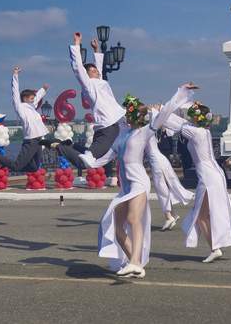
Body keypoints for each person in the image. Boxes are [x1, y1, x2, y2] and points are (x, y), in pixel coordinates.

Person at [80, 83, 197, 279]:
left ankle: (135, 262)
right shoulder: (121, 137)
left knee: (133, 219)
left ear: (136, 116)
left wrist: (181, 92)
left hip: (139, 183)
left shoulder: (145, 131)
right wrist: (89, 160)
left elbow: (165, 112)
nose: (126, 115)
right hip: (125, 188)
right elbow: (106, 158)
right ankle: (135, 263)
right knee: (116, 227)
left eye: (129, 113)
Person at [163, 101, 231, 263]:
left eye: (191, 114)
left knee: (201, 216)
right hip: (214, 174)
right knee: (209, 213)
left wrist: (159, 111)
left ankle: (215, 249)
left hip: (208, 177)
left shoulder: (194, 132)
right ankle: (216, 246)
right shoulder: (203, 131)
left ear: (196, 118)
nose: (189, 117)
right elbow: (181, 123)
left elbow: (170, 121)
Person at [40, 33, 126, 179]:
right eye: (92, 71)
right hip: (108, 127)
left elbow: (98, 70)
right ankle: (58, 146)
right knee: (88, 161)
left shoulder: (100, 82)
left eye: (96, 70)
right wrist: (76, 44)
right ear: (86, 76)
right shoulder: (89, 85)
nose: (96, 71)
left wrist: (96, 50)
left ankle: (70, 145)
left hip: (112, 126)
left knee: (92, 157)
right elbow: (78, 68)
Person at [0, 67, 49, 172]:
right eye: (31, 98)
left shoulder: (32, 106)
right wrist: (15, 75)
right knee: (16, 166)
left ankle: (8, 164)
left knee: (34, 167)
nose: (34, 100)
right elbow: (15, 92)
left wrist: (43, 89)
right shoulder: (20, 107)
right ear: (25, 99)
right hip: (31, 141)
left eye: (33, 99)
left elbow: (37, 97)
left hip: (39, 140)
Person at [145, 131, 194, 231]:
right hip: (159, 159)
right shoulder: (147, 131)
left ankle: (169, 216)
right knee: (163, 188)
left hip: (156, 161)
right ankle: (172, 214)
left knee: (161, 189)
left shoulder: (144, 132)